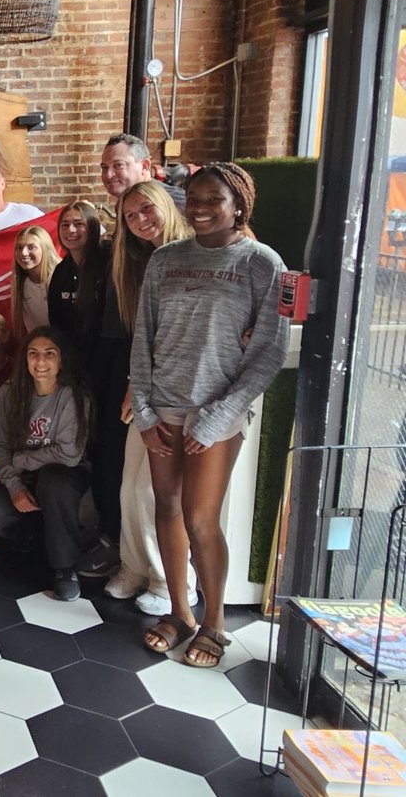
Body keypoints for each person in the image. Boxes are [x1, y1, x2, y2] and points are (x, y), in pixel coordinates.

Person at [132, 163, 289, 667]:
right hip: (163, 407)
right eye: (192, 198)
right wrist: (144, 409)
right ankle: (180, 612)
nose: (198, 207)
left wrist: (218, 417)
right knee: (167, 507)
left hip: (215, 413)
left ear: (238, 205)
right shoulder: (165, 260)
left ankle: (215, 622)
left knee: (201, 520)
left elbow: (268, 350)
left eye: (212, 199)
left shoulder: (261, 262)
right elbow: (144, 338)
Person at [101, 182, 198, 614]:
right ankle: (136, 567)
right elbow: (142, 338)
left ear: (165, 205)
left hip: (183, 394)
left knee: (156, 494)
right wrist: (132, 387)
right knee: (129, 487)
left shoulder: (196, 250)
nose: (141, 220)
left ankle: (172, 581)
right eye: (130, 216)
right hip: (145, 388)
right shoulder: (143, 262)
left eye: (146, 209)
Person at [0, 327, 94, 601]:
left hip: (64, 476)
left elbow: (69, 453)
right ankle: (32, 538)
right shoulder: (10, 393)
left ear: (62, 360)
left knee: (53, 480)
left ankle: (65, 568)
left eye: (50, 354)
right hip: (21, 477)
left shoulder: (72, 395)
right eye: (33, 354)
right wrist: (13, 486)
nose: (41, 361)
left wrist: (23, 460)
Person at [47, 199, 110, 364]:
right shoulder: (61, 271)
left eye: (78, 223)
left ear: (92, 226)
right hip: (74, 360)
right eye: (65, 225)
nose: (71, 230)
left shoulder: (109, 260)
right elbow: (56, 322)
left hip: (109, 357)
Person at [99, 133, 186, 211]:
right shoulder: (125, 203)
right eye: (105, 167)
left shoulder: (176, 203)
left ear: (145, 166)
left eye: (118, 165)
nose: (108, 175)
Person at [10, 225, 60, 342]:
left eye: (31, 247)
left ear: (45, 248)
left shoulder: (61, 277)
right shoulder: (22, 285)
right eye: (19, 247)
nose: (24, 253)